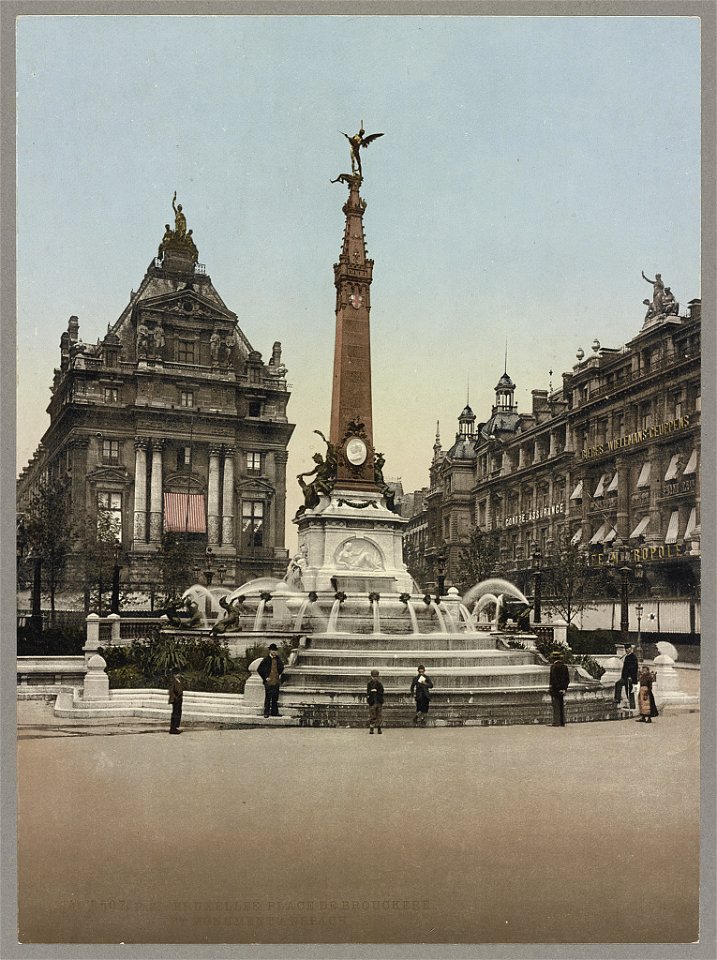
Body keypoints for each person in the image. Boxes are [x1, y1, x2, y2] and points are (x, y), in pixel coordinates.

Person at [257, 643, 284, 718]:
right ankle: (266, 712)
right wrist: (265, 677)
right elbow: (259, 669)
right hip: (268, 682)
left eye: (275, 650)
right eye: (273, 650)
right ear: (270, 651)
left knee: (275, 697)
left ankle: (274, 712)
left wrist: (278, 673)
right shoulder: (266, 660)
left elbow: (282, 667)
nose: (274, 652)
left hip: (276, 681)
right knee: (268, 697)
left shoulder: (278, 659)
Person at [548, 650, 570, 726]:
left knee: (556, 706)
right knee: (561, 705)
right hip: (562, 689)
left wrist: (555, 688)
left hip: (555, 689)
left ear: (553, 659)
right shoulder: (564, 667)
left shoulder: (553, 667)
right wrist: (564, 688)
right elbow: (567, 679)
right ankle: (562, 721)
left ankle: (556, 722)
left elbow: (553, 679)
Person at [614, 643, 638, 708]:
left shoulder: (633, 657)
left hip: (630, 678)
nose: (626, 650)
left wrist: (630, 677)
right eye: (625, 649)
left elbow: (633, 669)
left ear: (630, 649)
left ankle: (631, 705)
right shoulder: (627, 657)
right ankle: (618, 700)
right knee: (620, 685)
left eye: (627, 648)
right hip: (625, 677)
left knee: (629, 690)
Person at [367, 669, 384, 734]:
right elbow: (368, 692)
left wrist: (377, 691)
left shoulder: (379, 684)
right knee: (372, 715)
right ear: (371, 677)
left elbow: (382, 691)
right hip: (372, 701)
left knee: (379, 715)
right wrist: (371, 692)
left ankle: (379, 728)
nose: (375, 678)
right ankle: (371, 728)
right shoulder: (369, 684)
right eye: (373, 676)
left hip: (378, 701)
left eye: (376, 676)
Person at [168, 666, 184, 734]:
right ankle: (173, 728)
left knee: (177, 713)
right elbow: (171, 690)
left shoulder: (179, 681)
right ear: (175, 674)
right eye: (178, 673)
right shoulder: (173, 681)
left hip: (179, 699)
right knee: (175, 714)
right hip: (176, 700)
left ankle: (175, 727)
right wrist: (175, 698)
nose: (179, 675)